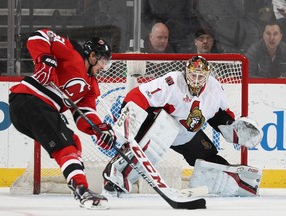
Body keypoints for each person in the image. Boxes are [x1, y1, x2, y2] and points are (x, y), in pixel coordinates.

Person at [102, 56, 262, 196]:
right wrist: (130, 116)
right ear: (186, 72)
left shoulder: (214, 89)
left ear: (207, 76)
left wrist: (232, 127)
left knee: (208, 156)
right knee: (149, 147)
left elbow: (220, 114)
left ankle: (236, 181)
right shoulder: (172, 82)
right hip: (162, 127)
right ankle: (116, 174)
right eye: (193, 75)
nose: (196, 80)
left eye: (201, 77)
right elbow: (138, 95)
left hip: (186, 134)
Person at [8, 29, 116, 209]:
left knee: (72, 142)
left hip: (33, 109)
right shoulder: (72, 53)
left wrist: (99, 130)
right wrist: (45, 59)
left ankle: (78, 184)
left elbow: (84, 115)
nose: (103, 67)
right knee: (66, 146)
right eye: (103, 61)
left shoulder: (91, 86)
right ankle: (81, 189)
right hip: (30, 99)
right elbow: (38, 36)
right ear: (92, 56)